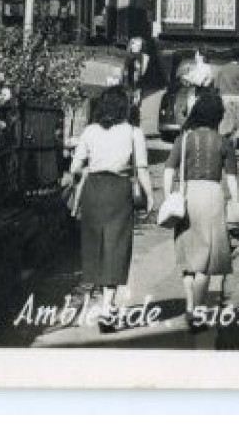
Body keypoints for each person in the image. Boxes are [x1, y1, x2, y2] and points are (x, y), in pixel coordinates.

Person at [64, 86, 152, 332]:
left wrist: (91, 165)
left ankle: (104, 303)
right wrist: (150, 196)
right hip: (118, 191)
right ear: (124, 107)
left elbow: (75, 167)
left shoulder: (90, 131)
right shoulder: (134, 132)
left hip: (93, 190)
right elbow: (142, 168)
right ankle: (107, 306)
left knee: (96, 245)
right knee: (116, 246)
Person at [160, 93, 239, 331]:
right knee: (206, 259)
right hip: (213, 196)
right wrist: (236, 203)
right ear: (217, 116)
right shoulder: (224, 142)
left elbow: (167, 171)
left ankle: (189, 306)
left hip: (186, 196)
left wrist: (169, 197)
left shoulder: (183, 140)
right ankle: (197, 310)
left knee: (188, 254)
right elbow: (232, 179)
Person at [212, 53, 239, 144]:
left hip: (224, 97)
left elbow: (216, 86)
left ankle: (223, 144)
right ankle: (234, 145)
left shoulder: (221, 69)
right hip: (238, 97)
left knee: (224, 120)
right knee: (237, 123)